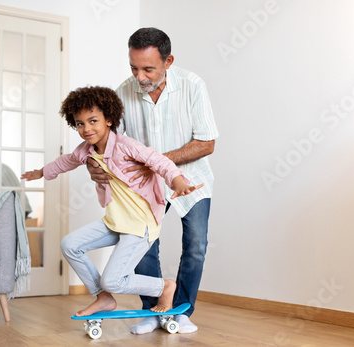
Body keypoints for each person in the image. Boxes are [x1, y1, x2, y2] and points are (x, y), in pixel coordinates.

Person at [21, 86, 203, 317]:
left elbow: (158, 161)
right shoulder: (86, 150)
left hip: (139, 225)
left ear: (109, 119)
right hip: (115, 221)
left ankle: (163, 287)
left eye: (93, 121)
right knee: (70, 245)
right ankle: (103, 297)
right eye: (79, 123)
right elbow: (66, 161)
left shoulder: (126, 146)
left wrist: (177, 181)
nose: (86, 129)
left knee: (113, 280)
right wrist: (42, 172)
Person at [87, 28, 219, 334]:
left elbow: (206, 143)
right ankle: (152, 310)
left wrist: (157, 163)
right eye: (134, 67)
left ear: (168, 61)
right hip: (144, 188)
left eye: (148, 68)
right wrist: (95, 165)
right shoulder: (121, 93)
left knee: (196, 245)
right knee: (143, 246)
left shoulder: (192, 86)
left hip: (192, 180)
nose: (140, 76)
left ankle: (182, 311)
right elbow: (108, 143)